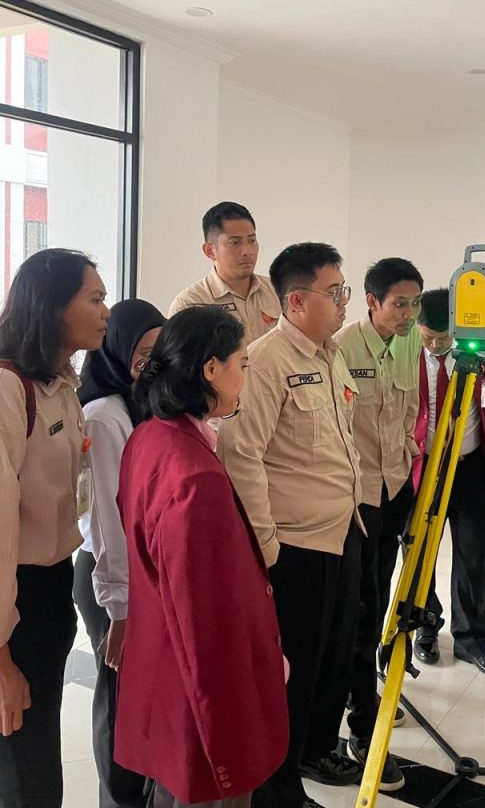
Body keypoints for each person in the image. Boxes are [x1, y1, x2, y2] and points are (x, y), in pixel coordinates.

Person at [114, 306, 288, 808]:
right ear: (211, 369)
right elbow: (206, 618)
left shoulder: (150, 435)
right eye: (242, 363)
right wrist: (239, 702)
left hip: (163, 670)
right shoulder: (196, 479)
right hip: (197, 692)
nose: (245, 376)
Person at [218, 242, 364, 808]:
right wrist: (267, 547)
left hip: (341, 532)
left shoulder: (331, 355)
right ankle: (278, 791)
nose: (345, 301)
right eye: (336, 291)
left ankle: (313, 752)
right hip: (295, 547)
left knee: (333, 660)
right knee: (294, 674)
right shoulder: (265, 362)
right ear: (297, 301)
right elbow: (241, 456)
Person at [0, 248, 110, 808]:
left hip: (49, 587)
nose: (106, 310)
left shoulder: (61, 383)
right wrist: (0, 657)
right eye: (95, 298)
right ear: (53, 306)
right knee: (23, 772)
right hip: (12, 604)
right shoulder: (7, 389)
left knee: (37, 751)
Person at [73, 298, 166, 808]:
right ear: (117, 349)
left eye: (158, 349)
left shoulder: (141, 401)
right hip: (111, 574)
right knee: (117, 696)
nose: (149, 361)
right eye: (140, 350)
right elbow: (106, 521)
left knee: (140, 693)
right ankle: (119, 798)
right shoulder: (105, 416)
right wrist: (121, 609)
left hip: (138, 568)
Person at [337, 257, 423, 791]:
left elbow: (411, 410)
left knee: (383, 597)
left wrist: (410, 451)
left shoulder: (410, 343)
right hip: (357, 498)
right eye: (399, 304)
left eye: (415, 304)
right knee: (361, 608)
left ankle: (367, 693)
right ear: (372, 302)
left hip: (395, 488)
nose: (409, 314)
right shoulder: (343, 348)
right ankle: (362, 723)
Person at [412, 287, 485, 680]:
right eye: (428, 338)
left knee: (474, 555)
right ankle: (425, 625)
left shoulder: (477, 358)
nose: (436, 346)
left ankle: (472, 638)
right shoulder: (407, 359)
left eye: (443, 338)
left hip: (470, 468)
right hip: (423, 469)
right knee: (420, 552)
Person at [169, 201, 280, 344]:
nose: (247, 251)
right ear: (210, 251)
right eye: (235, 243)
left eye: (252, 240)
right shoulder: (191, 304)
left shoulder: (278, 290)